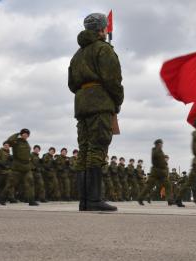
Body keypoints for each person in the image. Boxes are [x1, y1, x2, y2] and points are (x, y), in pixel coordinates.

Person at [68, 12, 123, 211]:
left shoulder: (77, 54)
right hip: (100, 104)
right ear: (102, 29)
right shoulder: (103, 49)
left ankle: (84, 201)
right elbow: (113, 80)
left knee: (84, 150)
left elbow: (72, 84)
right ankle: (94, 200)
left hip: (81, 105)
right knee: (98, 149)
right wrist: (117, 101)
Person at [5, 129, 38, 206]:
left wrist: (31, 165)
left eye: (27, 134)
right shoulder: (16, 142)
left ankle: (31, 201)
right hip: (17, 167)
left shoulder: (27, 143)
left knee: (30, 182)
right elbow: (9, 141)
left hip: (26, 167)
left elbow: (27, 156)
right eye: (24, 134)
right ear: (21, 134)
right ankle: (2, 198)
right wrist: (17, 134)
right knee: (11, 183)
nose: (25, 135)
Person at [138, 139, 174, 206]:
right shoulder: (155, 150)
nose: (161, 145)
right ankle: (140, 198)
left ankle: (170, 200)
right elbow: (156, 159)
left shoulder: (159, 150)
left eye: (161, 144)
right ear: (157, 144)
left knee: (168, 185)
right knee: (149, 186)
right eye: (160, 144)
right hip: (156, 171)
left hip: (161, 172)